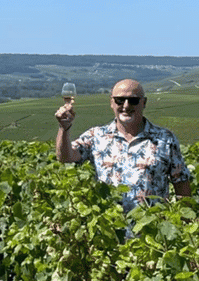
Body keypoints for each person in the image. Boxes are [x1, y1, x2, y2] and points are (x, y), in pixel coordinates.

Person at [55, 78, 192, 214]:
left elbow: (181, 183)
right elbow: (65, 157)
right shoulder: (96, 136)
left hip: (152, 229)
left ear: (144, 103)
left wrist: (185, 222)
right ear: (111, 103)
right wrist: (64, 129)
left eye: (133, 100)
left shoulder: (165, 139)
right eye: (119, 100)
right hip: (109, 230)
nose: (126, 106)